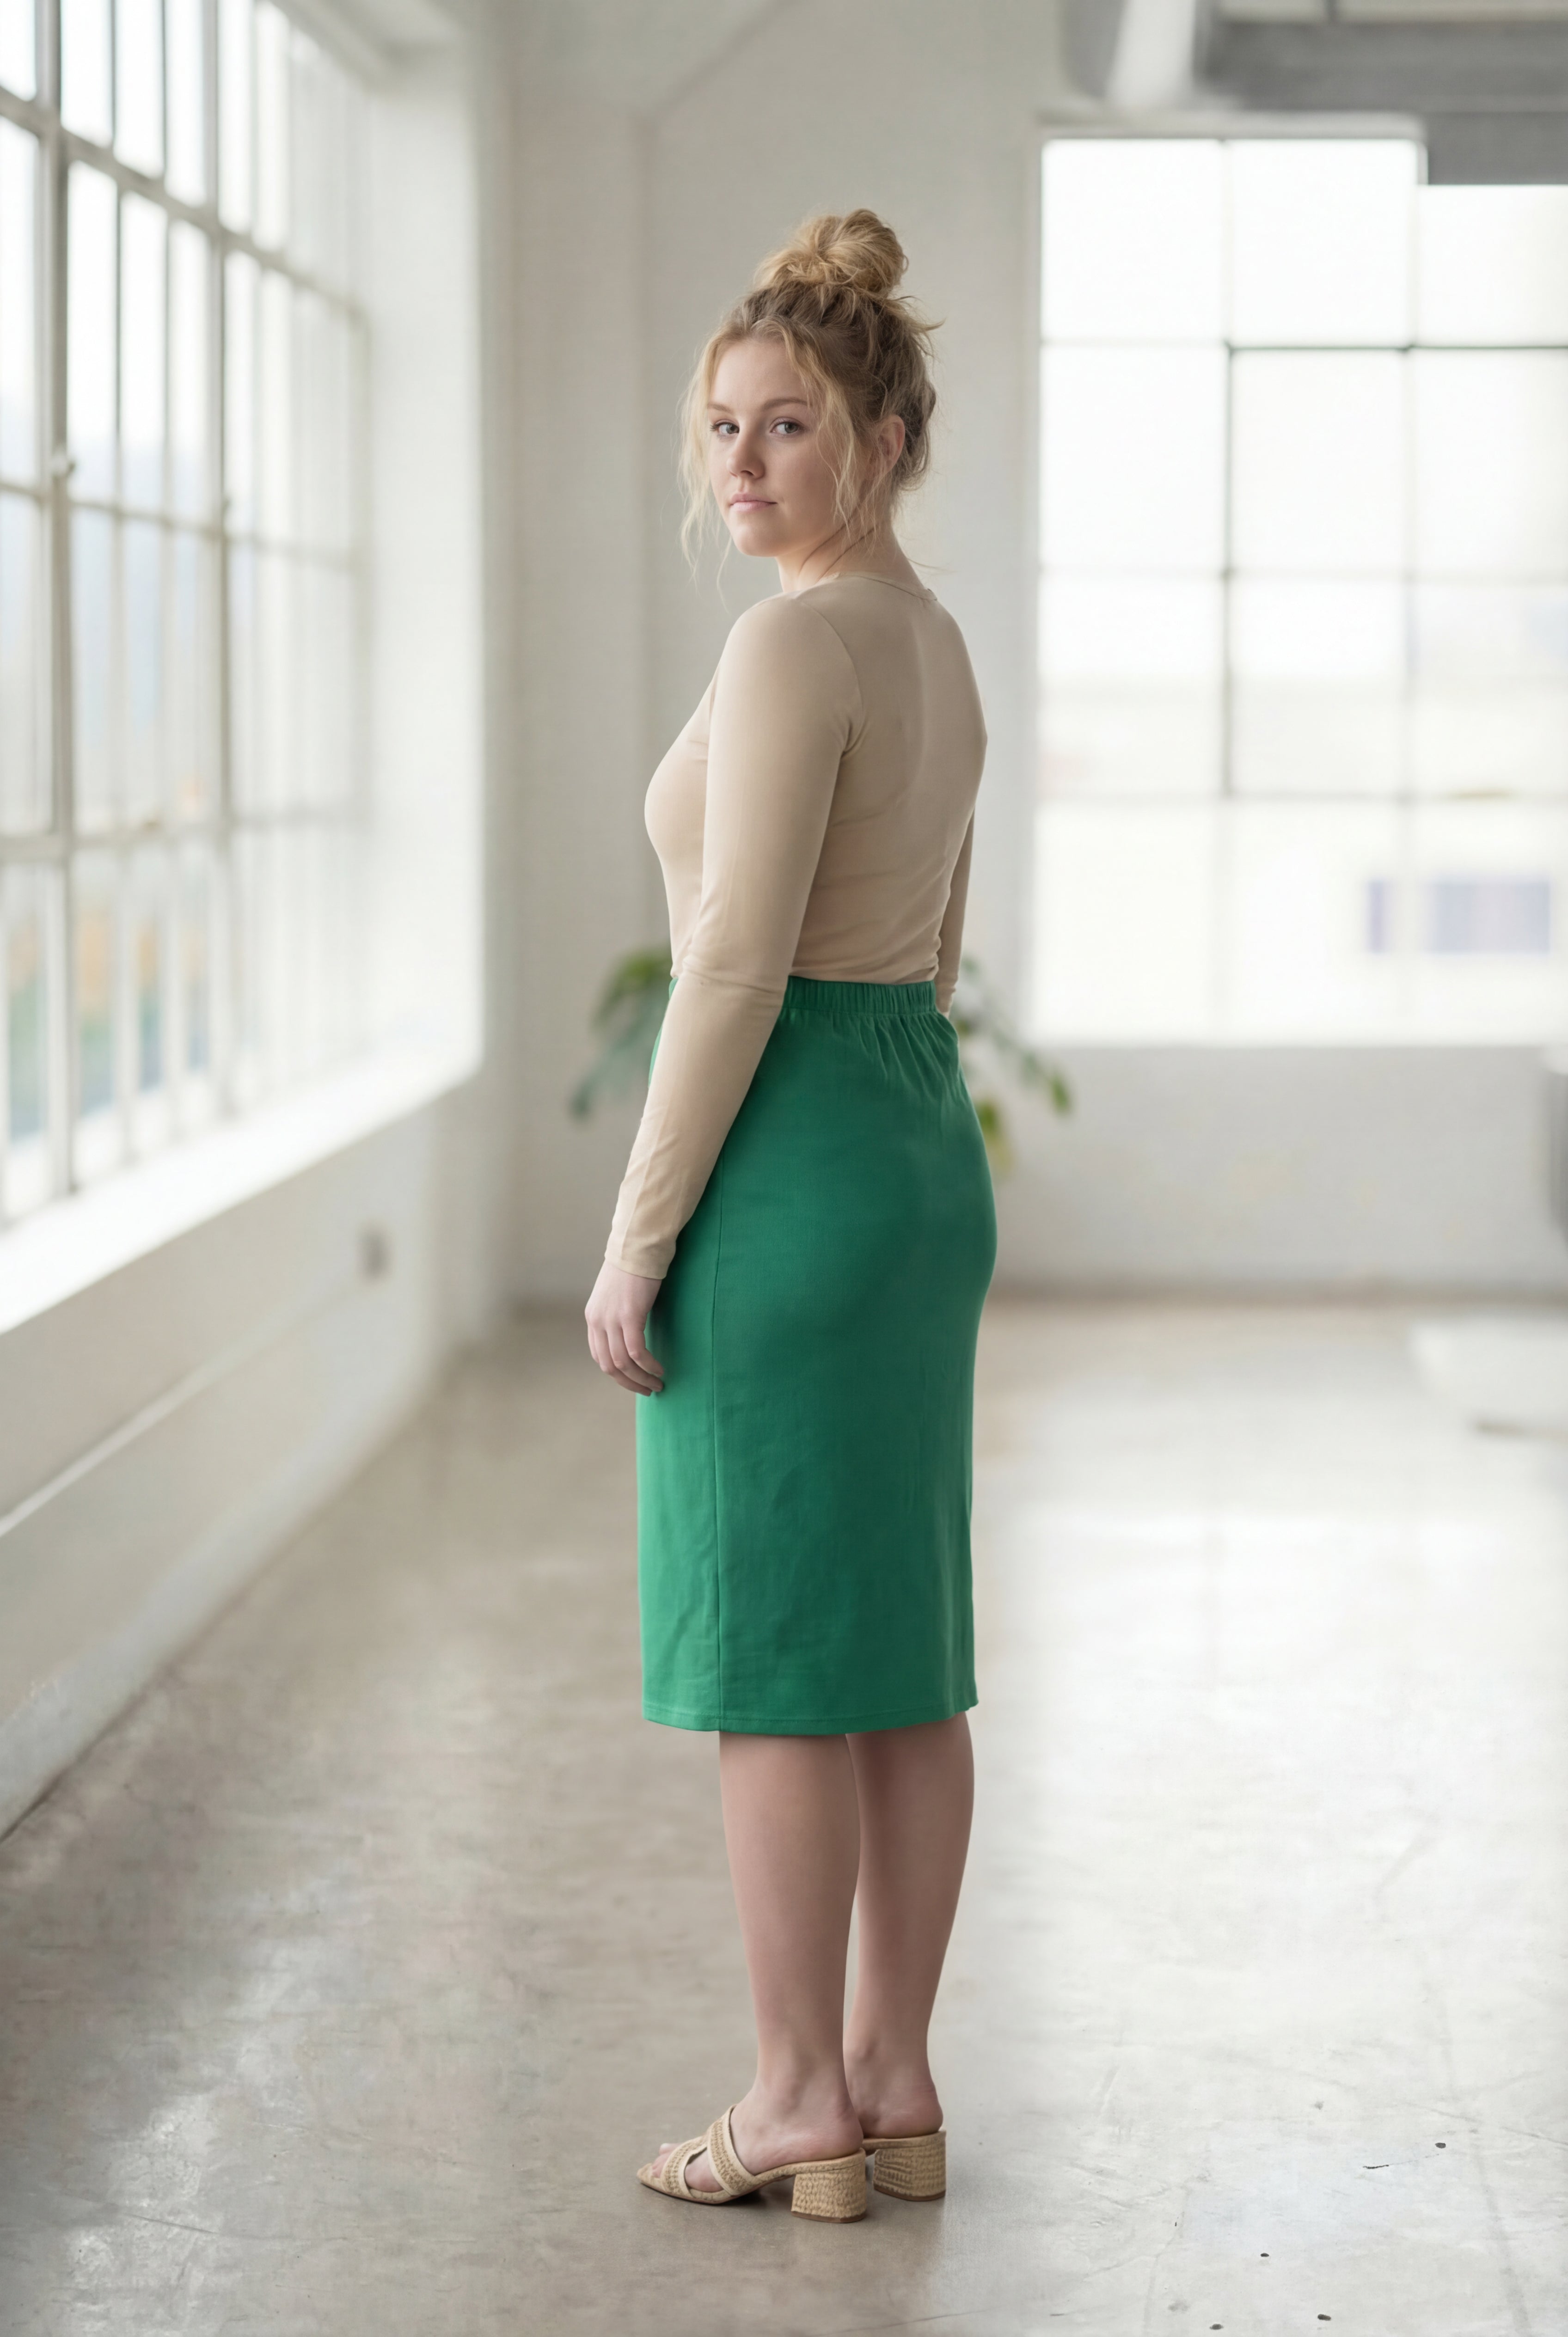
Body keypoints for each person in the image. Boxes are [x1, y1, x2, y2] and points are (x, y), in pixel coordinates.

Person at [583, 208, 995, 2224]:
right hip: (918, 1145)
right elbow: (935, 941)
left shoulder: (788, 641)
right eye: (722, 430)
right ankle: (897, 2084)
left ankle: (789, 2094)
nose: (741, 467)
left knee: (773, 1662)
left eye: (790, 427)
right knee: (905, 1650)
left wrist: (636, 1232)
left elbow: (733, 964)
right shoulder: (930, 643)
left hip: (796, 1150)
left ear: (886, 435)